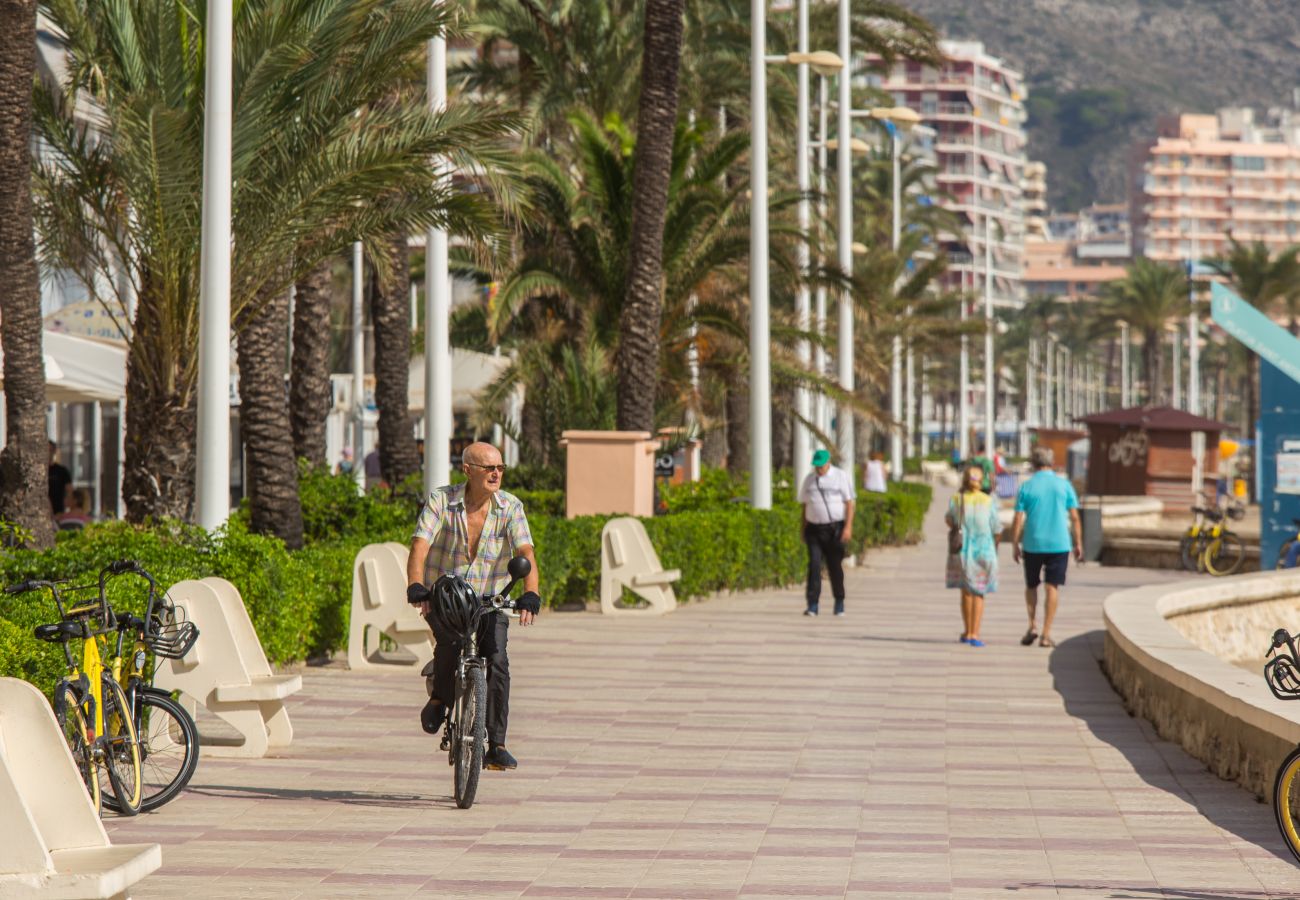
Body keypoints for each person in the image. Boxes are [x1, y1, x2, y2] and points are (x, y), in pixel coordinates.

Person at [406, 441, 541, 771]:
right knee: (449, 647)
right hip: (449, 596)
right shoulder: (442, 501)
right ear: (468, 470)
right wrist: (416, 586)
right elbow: (420, 547)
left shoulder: (510, 507)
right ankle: (440, 697)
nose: (496, 473)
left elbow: (525, 553)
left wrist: (531, 592)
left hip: (489, 599)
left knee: (497, 660)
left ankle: (496, 744)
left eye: (500, 468)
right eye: (488, 468)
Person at [1010, 446, 1082, 649]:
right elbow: (1075, 517)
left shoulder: (1027, 486)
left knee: (1031, 585)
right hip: (1059, 543)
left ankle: (1032, 625)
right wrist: (1079, 543)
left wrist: (1015, 544)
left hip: (1033, 543)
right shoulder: (1064, 485)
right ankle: (1046, 634)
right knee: (1052, 587)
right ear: (1052, 462)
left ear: (1033, 463)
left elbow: (1017, 518)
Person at [945, 465, 1001, 647]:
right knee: (979, 592)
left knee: (966, 592)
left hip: (962, 551)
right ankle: (975, 633)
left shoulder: (957, 499)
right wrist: (995, 544)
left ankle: (967, 631)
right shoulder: (988, 500)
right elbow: (997, 527)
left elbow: (949, 519)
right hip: (984, 551)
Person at [797, 448, 855, 617]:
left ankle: (839, 601)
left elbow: (849, 503)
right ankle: (812, 604)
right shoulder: (810, 480)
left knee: (834, 567)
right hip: (814, 529)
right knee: (814, 565)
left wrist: (848, 527)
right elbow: (804, 504)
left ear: (828, 463)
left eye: (821, 466)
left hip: (834, 529)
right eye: (816, 466)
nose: (819, 469)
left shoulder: (840, 477)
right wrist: (803, 528)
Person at [48, 441, 72, 515]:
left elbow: (69, 490)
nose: (48, 453)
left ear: (54, 451)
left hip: (58, 511)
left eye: (50, 450)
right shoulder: (38, 471)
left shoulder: (62, 471)